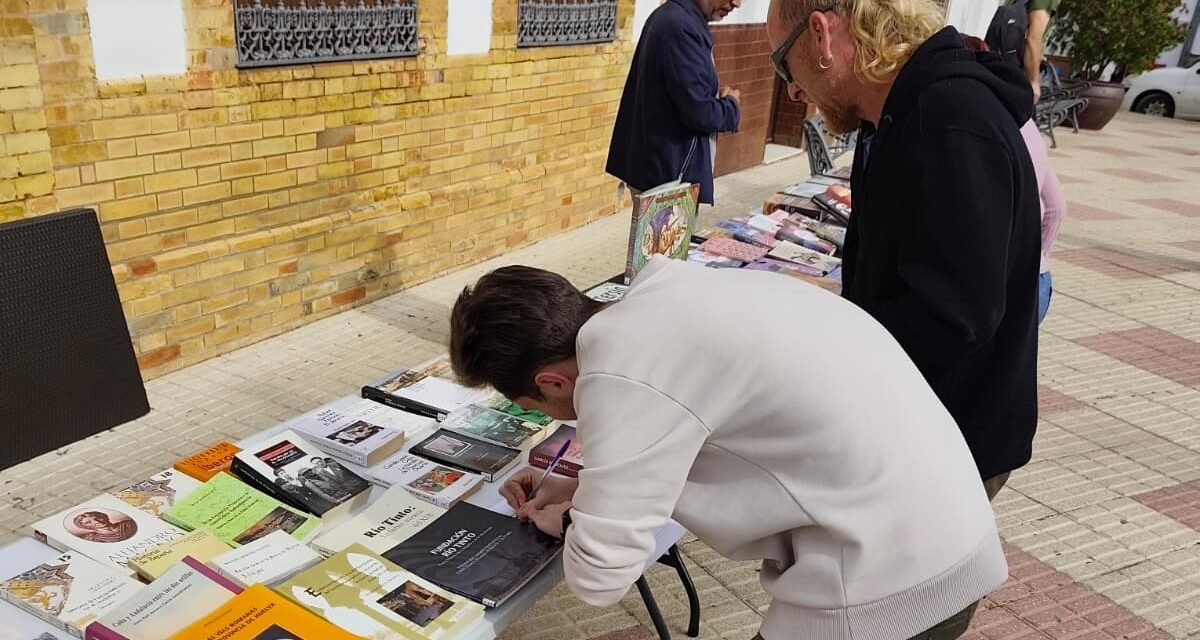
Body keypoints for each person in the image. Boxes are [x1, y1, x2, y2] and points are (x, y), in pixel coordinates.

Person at [449, 258, 1008, 640]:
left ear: (550, 382)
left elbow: (600, 578)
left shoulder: (623, 365)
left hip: (889, 581)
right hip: (950, 534)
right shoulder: (676, 297)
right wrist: (581, 487)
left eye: (532, 406)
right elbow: (703, 430)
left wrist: (567, 522)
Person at [766, 0, 1042, 500]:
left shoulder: (947, 118)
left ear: (821, 36)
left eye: (784, 62)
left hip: (947, 441)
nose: (792, 87)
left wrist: (818, 347)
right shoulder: (899, 111)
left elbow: (956, 315)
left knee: (903, 581)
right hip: (924, 426)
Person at [962, 34, 1065, 324]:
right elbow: (1057, 207)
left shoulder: (980, 128)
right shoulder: (1025, 124)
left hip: (1005, 285)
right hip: (1038, 280)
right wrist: (1037, 259)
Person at [606, 0, 743, 205]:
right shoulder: (680, 27)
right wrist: (731, 106)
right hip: (669, 177)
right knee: (666, 237)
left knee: (662, 237)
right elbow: (700, 112)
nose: (737, 3)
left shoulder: (679, 19)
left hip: (663, 169)